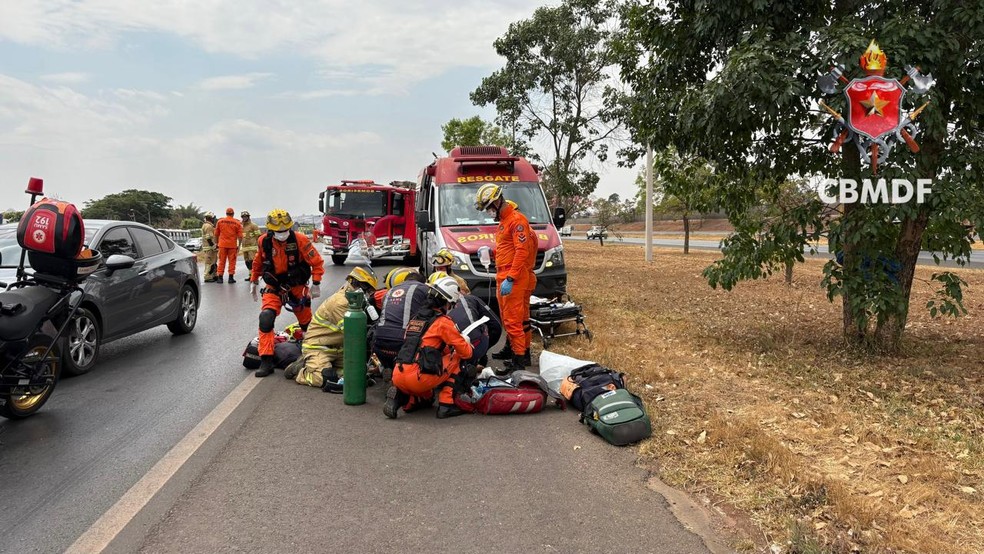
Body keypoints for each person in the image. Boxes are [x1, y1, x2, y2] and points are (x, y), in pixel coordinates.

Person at [384, 276, 474, 420]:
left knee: (428, 394)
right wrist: (466, 344)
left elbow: (419, 345)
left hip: (399, 373)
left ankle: (406, 399)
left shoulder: (415, 319)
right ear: (447, 302)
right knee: (458, 356)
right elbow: (466, 352)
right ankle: (446, 404)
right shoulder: (443, 322)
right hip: (418, 378)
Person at [250, 209, 325, 377]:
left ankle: (313, 353)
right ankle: (266, 360)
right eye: (279, 232)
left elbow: (317, 262)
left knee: (306, 324)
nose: (282, 234)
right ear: (270, 230)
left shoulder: (300, 240)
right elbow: (258, 262)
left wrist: (316, 283)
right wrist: (254, 280)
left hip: (295, 285)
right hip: (274, 287)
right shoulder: (264, 242)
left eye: (285, 231)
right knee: (266, 318)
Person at [474, 185, 538, 372]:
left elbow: (521, 252)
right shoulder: (504, 222)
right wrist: (491, 253)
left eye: (488, 207)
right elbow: (507, 249)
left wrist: (511, 278)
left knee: (513, 322)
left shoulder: (516, 221)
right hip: (505, 273)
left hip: (513, 276)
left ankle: (517, 364)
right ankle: (521, 354)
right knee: (518, 320)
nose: (488, 212)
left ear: (496, 201)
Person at [287, 266, 378, 388]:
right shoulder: (340, 302)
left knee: (358, 374)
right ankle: (301, 370)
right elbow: (354, 333)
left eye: (370, 291)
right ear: (354, 283)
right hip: (319, 347)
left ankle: (327, 368)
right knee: (323, 379)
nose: (368, 294)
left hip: (338, 349)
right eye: (367, 289)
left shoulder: (355, 301)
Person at [372, 268, 427, 370]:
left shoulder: (390, 291)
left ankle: (386, 369)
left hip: (379, 340)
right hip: (402, 341)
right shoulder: (424, 289)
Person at [448, 288, 501, 369]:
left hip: (469, 342)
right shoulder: (469, 300)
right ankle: (472, 364)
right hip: (474, 342)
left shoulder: (467, 301)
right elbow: (495, 325)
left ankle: (471, 364)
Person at [214, 207, 244, 283]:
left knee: (221, 261)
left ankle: (220, 277)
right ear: (233, 214)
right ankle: (231, 278)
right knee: (232, 261)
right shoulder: (237, 223)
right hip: (232, 245)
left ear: (226, 213)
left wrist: (216, 243)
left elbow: (216, 234)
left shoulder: (220, 221)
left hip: (222, 245)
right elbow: (240, 236)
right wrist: (239, 246)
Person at [240, 210, 261, 282]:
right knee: (247, 262)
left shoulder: (253, 226)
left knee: (253, 262)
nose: (244, 218)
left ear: (248, 217)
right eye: (243, 217)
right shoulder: (241, 226)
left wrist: (260, 246)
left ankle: (254, 277)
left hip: (252, 247)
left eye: (246, 216)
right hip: (245, 247)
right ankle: (250, 275)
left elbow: (258, 236)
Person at [201, 211, 218, 282]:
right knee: (209, 263)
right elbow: (209, 238)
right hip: (209, 248)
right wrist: (214, 246)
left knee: (213, 262)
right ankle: (207, 276)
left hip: (208, 248)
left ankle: (213, 275)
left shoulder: (206, 225)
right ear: (211, 218)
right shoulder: (209, 226)